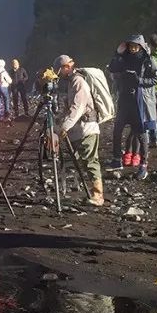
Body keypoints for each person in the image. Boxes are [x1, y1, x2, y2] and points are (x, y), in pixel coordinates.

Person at [52, 57, 104, 207]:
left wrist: (64, 127)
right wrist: (59, 121)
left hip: (87, 128)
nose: (59, 75)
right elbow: (70, 108)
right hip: (80, 128)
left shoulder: (78, 82)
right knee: (83, 161)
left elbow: (77, 107)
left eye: (60, 71)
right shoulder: (71, 82)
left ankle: (97, 195)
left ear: (66, 67)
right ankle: (92, 192)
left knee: (90, 161)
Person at [107, 35, 157, 181]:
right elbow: (111, 68)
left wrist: (139, 80)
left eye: (135, 46)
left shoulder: (148, 60)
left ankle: (143, 164)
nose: (133, 49)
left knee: (141, 134)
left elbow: (156, 79)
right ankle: (117, 158)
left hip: (139, 100)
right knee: (117, 130)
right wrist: (117, 53)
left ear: (141, 46)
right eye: (130, 46)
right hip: (124, 99)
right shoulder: (123, 58)